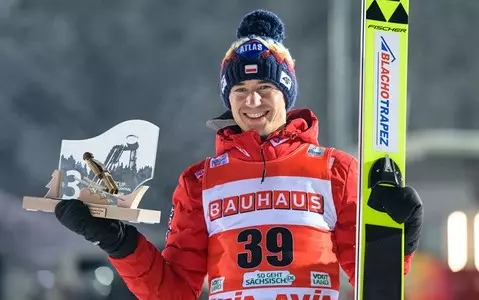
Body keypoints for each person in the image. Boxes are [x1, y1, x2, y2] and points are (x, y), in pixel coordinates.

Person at [54, 9, 423, 300]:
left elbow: (371, 281)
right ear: (227, 97)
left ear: (286, 93)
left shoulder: (335, 170)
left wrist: (400, 238)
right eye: (240, 89)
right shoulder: (199, 181)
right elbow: (173, 291)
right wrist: (118, 242)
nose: (252, 101)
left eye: (266, 87)